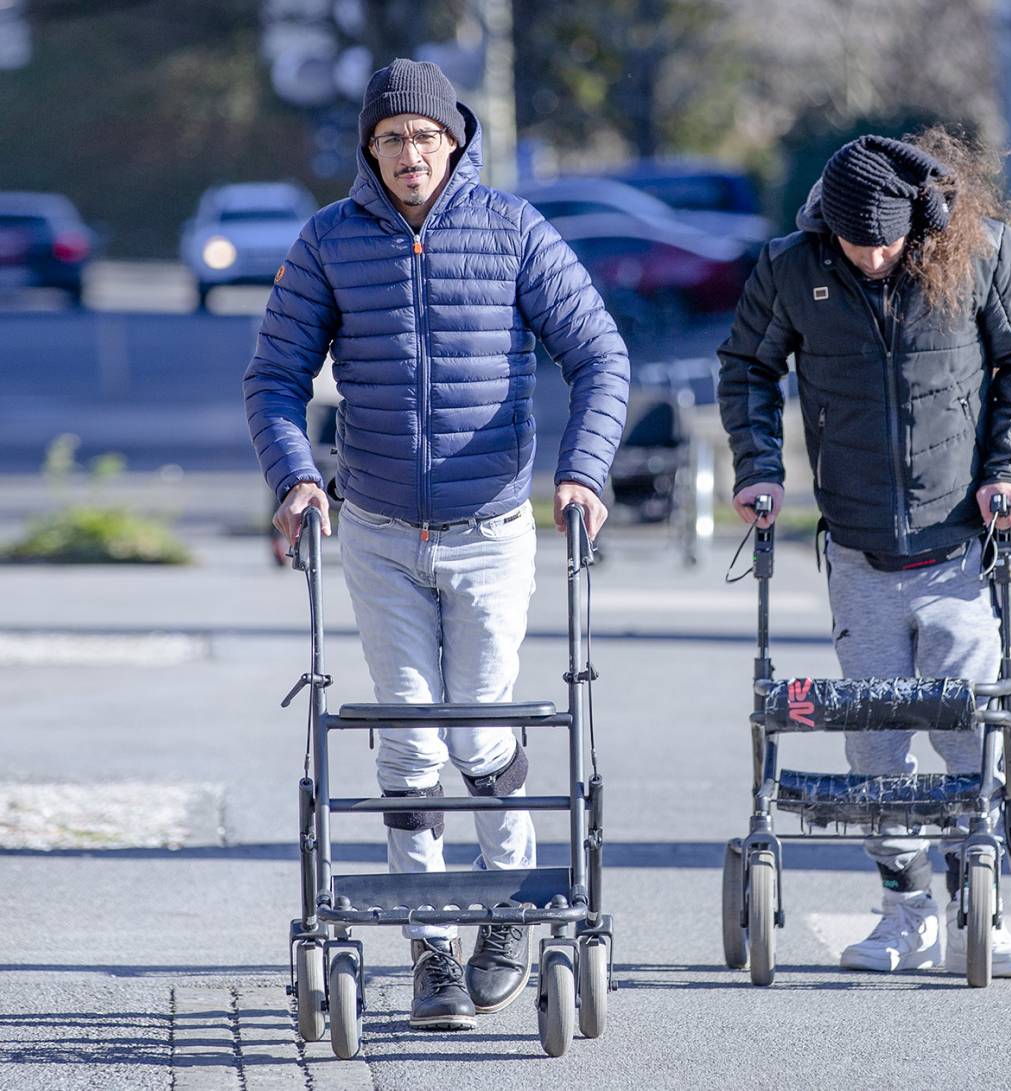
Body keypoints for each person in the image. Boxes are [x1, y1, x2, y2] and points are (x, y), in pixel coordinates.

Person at [243, 59, 629, 1030]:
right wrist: (295, 475)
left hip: (492, 526)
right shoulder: (330, 242)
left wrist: (582, 469)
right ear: (369, 153)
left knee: (483, 731)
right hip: (375, 529)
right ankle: (430, 951)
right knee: (408, 741)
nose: (409, 154)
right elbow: (274, 376)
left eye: (424, 137)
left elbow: (598, 353)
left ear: (454, 141)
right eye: (390, 139)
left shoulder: (512, 231)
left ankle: (505, 913)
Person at [717, 130, 1011, 977]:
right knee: (873, 740)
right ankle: (904, 907)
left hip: (958, 547)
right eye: (853, 242)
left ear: (920, 221)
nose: (871, 257)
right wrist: (759, 470)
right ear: (825, 225)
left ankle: (975, 896)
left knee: (966, 728)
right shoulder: (793, 267)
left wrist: (1008, 472)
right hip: (858, 546)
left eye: (887, 241)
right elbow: (746, 369)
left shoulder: (975, 251)